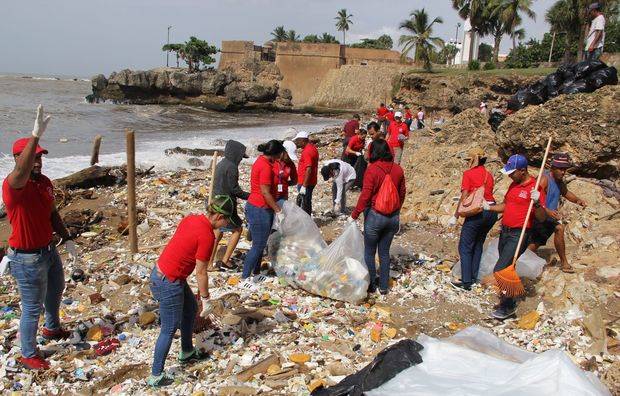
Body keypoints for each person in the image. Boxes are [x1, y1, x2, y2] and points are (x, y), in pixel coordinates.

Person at [3, 106, 76, 370]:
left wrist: (67, 238)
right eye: (32, 158)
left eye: (40, 157)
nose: (37, 161)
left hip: (48, 250)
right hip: (27, 258)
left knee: (56, 291)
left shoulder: (44, 182)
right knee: (32, 307)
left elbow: (52, 213)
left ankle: (52, 329)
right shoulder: (13, 187)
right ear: (19, 159)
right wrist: (34, 135)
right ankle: (28, 353)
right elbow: (20, 173)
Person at [148, 195, 238, 386]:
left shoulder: (192, 218)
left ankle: (187, 351)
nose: (226, 225)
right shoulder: (207, 236)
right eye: (226, 220)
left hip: (167, 273)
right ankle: (156, 375)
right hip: (168, 281)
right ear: (218, 217)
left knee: (189, 310)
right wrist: (205, 299)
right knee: (169, 329)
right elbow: (201, 272)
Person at [484, 154, 547, 320]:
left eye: (512, 172)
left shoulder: (535, 188)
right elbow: (506, 206)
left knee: (501, 269)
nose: (510, 176)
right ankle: (507, 296)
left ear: (523, 170)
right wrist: (489, 208)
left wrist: (538, 202)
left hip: (520, 233)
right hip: (505, 231)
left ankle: (509, 305)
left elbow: (542, 218)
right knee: (507, 266)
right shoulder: (513, 185)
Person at [350, 139, 406, 295]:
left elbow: (365, 196)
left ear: (373, 152)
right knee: (384, 252)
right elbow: (402, 194)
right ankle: (384, 287)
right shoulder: (398, 170)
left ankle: (372, 285)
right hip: (392, 218)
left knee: (369, 251)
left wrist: (354, 214)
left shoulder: (372, 170)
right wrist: (396, 210)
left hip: (375, 216)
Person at [528, 153, 587, 273]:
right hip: (538, 216)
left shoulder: (559, 182)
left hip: (548, 218)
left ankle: (561, 263)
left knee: (540, 241)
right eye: (560, 169)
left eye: (564, 169)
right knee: (556, 230)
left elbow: (566, 193)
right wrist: (547, 210)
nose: (563, 172)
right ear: (553, 168)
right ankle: (562, 263)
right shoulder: (544, 179)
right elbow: (534, 198)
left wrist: (578, 200)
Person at [449, 148, 498, 290]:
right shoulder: (489, 175)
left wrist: (456, 215)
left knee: (465, 246)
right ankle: (473, 277)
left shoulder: (468, 174)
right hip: (491, 211)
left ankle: (465, 282)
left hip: (477, 212)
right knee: (478, 245)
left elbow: (465, 197)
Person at [242, 140, 285, 279]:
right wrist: (278, 210)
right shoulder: (265, 167)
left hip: (257, 206)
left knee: (259, 244)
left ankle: (256, 272)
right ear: (275, 154)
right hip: (260, 208)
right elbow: (265, 192)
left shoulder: (262, 161)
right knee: (258, 246)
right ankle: (245, 277)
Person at [209, 140, 250, 271]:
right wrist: (250, 196)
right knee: (237, 229)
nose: (240, 160)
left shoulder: (221, 163)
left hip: (215, 200)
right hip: (226, 203)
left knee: (217, 231)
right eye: (240, 157)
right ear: (236, 154)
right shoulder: (232, 167)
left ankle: (209, 263)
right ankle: (225, 260)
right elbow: (235, 190)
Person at [294, 131, 319, 215]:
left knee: (304, 203)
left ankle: (306, 222)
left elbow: (309, 169)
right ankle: (307, 220)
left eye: (297, 141)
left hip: (305, 182)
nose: (296, 143)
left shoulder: (307, 151)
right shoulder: (312, 148)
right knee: (307, 202)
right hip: (310, 180)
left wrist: (304, 186)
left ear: (302, 140)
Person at [274, 140, 298, 205]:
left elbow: (295, 181)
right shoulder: (273, 161)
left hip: (283, 195)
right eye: (288, 156)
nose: (289, 159)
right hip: (271, 195)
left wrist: (284, 183)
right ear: (283, 152)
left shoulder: (291, 164)